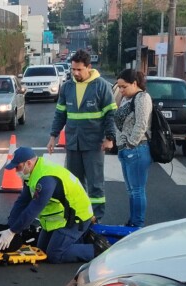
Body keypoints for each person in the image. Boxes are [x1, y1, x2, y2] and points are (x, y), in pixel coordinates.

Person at [0, 147, 101, 263]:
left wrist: (12, 231)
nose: (16, 171)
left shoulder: (45, 179)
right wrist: (9, 227)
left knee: (55, 255)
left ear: (28, 163)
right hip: (61, 218)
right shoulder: (33, 173)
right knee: (41, 250)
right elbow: (22, 202)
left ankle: (97, 250)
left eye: (18, 167)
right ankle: (76, 240)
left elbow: (33, 209)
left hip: (76, 218)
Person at [47, 49, 116, 220]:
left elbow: (110, 114)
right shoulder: (67, 87)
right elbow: (60, 114)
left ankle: (96, 217)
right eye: (73, 69)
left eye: (79, 69)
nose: (75, 73)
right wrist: (53, 137)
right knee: (74, 183)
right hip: (73, 143)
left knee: (95, 184)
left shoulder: (101, 86)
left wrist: (109, 138)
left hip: (94, 143)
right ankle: (78, 215)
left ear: (88, 67)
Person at [113, 68, 153, 228]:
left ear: (135, 83)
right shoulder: (126, 98)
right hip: (125, 149)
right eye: (119, 87)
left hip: (137, 149)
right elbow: (115, 108)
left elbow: (141, 124)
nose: (121, 90)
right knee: (131, 190)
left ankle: (137, 224)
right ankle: (132, 221)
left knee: (137, 190)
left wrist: (131, 143)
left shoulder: (142, 98)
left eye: (124, 87)